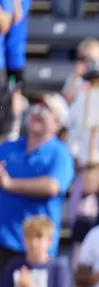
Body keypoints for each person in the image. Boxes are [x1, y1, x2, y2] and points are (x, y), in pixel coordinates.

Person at [0, 93, 74, 273]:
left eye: (47, 110)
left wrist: (10, 184)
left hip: (35, 249)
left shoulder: (61, 154)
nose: (38, 112)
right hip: (3, 242)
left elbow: (51, 186)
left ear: (58, 124)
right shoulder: (9, 147)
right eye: (37, 106)